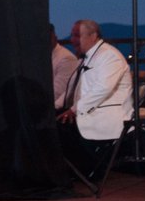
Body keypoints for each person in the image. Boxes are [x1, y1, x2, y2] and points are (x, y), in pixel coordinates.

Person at [57, 19, 133, 179]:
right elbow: (74, 89)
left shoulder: (109, 56)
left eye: (77, 35)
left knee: (58, 132)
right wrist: (56, 106)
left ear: (93, 36)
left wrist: (73, 110)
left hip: (103, 117)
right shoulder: (87, 58)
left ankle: (73, 174)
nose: (72, 40)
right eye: (72, 35)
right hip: (84, 111)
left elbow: (101, 89)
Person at [50, 22, 79, 111]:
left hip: (58, 109)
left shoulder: (66, 58)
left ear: (54, 37)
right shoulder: (39, 57)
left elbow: (58, 93)